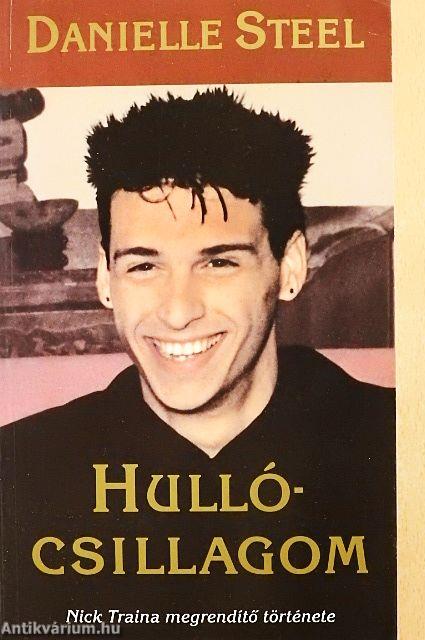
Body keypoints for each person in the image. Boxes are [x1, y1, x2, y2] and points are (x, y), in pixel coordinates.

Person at [0, 89, 395, 639]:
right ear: (105, 278)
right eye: (143, 266)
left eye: (219, 262)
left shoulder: (407, 453)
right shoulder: (17, 474)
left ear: (290, 267)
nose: (178, 311)